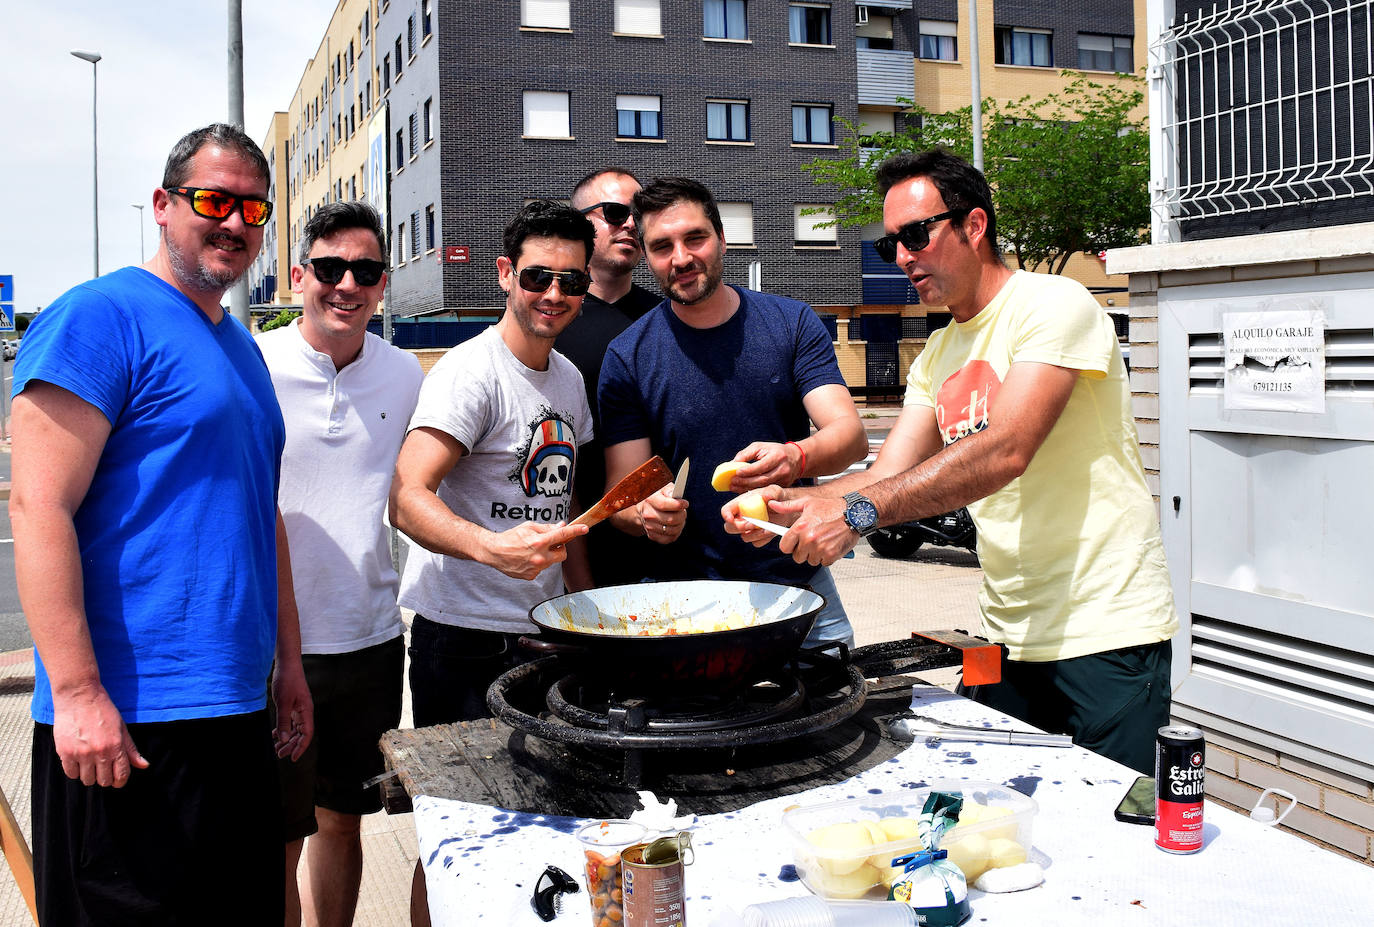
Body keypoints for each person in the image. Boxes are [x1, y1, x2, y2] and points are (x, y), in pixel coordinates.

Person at [740, 149, 1179, 774]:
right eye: (890, 242)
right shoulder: (939, 351)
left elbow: (1005, 450)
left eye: (916, 235)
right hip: (1003, 633)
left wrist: (857, 513)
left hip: (1103, 631)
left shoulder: (1054, 304)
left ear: (974, 226)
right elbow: (886, 473)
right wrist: (792, 502)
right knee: (1011, 828)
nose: (901, 257)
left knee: (1116, 832)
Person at [9, 123, 311, 924]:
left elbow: (260, 514)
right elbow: (38, 505)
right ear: (163, 205)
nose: (236, 222)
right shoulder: (100, 317)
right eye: (214, 199)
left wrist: (291, 664)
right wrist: (75, 693)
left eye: (254, 206)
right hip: (130, 721)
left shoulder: (241, 347)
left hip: (235, 712)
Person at [389, 201, 595, 924]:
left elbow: (566, 523)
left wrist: (590, 618)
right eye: (539, 275)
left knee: (542, 831)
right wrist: (488, 545)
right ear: (507, 274)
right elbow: (407, 496)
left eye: (571, 281)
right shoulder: (470, 373)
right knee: (457, 836)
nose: (554, 294)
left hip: (545, 642)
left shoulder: (567, 380)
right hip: (463, 644)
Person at [597, 177, 867, 646]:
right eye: (662, 246)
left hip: (797, 584)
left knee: (832, 708)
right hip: (679, 598)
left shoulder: (791, 322)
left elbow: (849, 436)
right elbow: (621, 496)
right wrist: (647, 515)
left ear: (722, 238)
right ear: (646, 255)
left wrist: (795, 457)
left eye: (694, 238)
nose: (681, 258)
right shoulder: (627, 355)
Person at [256, 201, 423, 927]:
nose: (346, 283)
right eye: (329, 268)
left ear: (383, 284)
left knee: (344, 821)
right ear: (299, 277)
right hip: (272, 646)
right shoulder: (253, 364)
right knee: (276, 835)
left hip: (370, 638)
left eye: (365, 270)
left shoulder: (406, 376)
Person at [556, 168, 659, 586]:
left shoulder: (668, 318)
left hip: (664, 547)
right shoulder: (550, 317)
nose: (631, 223)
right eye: (616, 213)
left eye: (639, 213)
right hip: (569, 547)